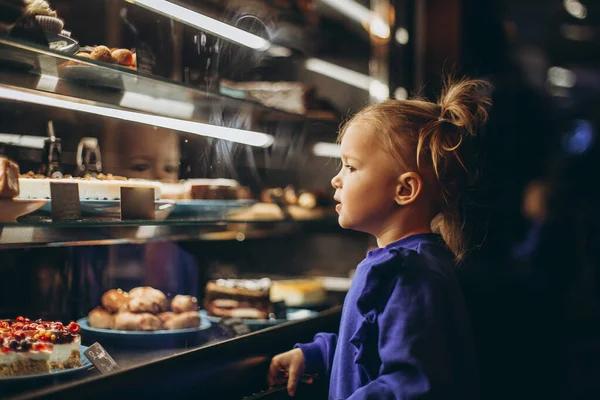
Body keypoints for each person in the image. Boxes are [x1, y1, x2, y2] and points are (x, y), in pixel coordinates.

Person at [267, 77, 491, 399]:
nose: (335, 179)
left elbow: (410, 384)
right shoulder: (404, 263)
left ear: (404, 190)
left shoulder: (409, 274)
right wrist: (316, 354)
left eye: (350, 167)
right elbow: (368, 346)